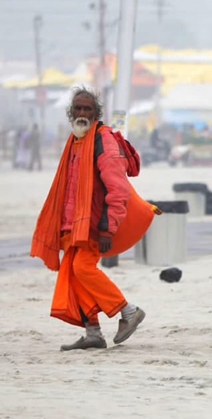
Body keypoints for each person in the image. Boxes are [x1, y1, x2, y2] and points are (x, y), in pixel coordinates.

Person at [30, 87, 146, 351]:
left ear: (97, 113)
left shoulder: (102, 140)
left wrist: (108, 229)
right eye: (79, 109)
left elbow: (118, 191)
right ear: (71, 112)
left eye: (88, 109)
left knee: (83, 269)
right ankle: (93, 332)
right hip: (74, 225)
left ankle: (129, 312)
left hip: (94, 224)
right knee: (73, 274)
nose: (83, 113)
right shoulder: (75, 140)